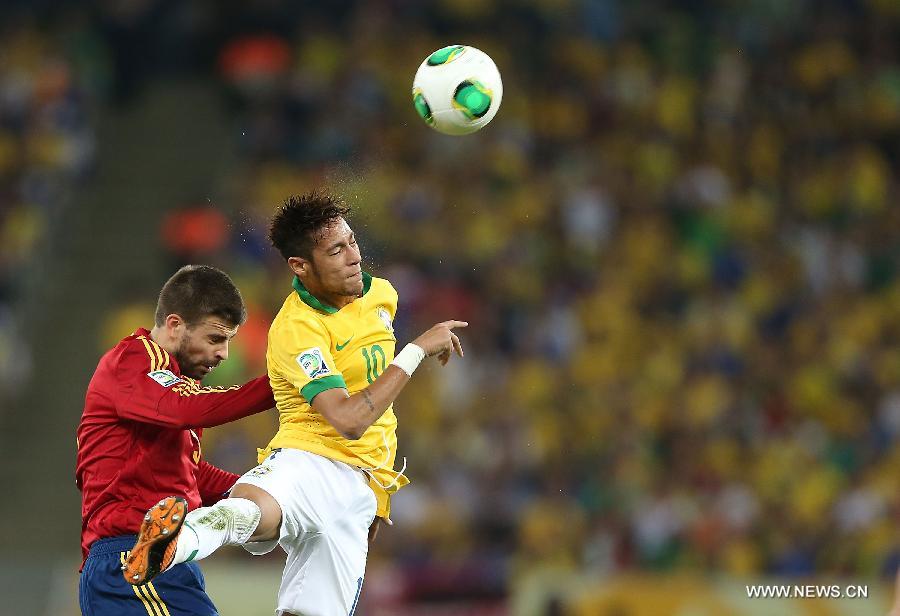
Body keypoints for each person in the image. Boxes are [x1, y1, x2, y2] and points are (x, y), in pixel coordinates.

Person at [123, 191, 467, 616]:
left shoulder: (382, 296)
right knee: (256, 511)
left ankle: (186, 535)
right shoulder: (296, 329)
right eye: (336, 250)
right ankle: (180, 538)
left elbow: (377, 415)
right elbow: (348, 418)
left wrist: (374, 500)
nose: (353, 257)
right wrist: (414, 351)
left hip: (361, 490)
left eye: (353, 242)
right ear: (301, 266)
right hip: (312, 459)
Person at [77, 264, 275, 616]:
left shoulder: (167, 384)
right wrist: (282, 384)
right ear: (174, 325)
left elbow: (189, 474)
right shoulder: (135, 361)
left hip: (155, 557)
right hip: (133, 557)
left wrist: (258, 492)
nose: (223, 354)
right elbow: (186, 408)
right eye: (215, 338)